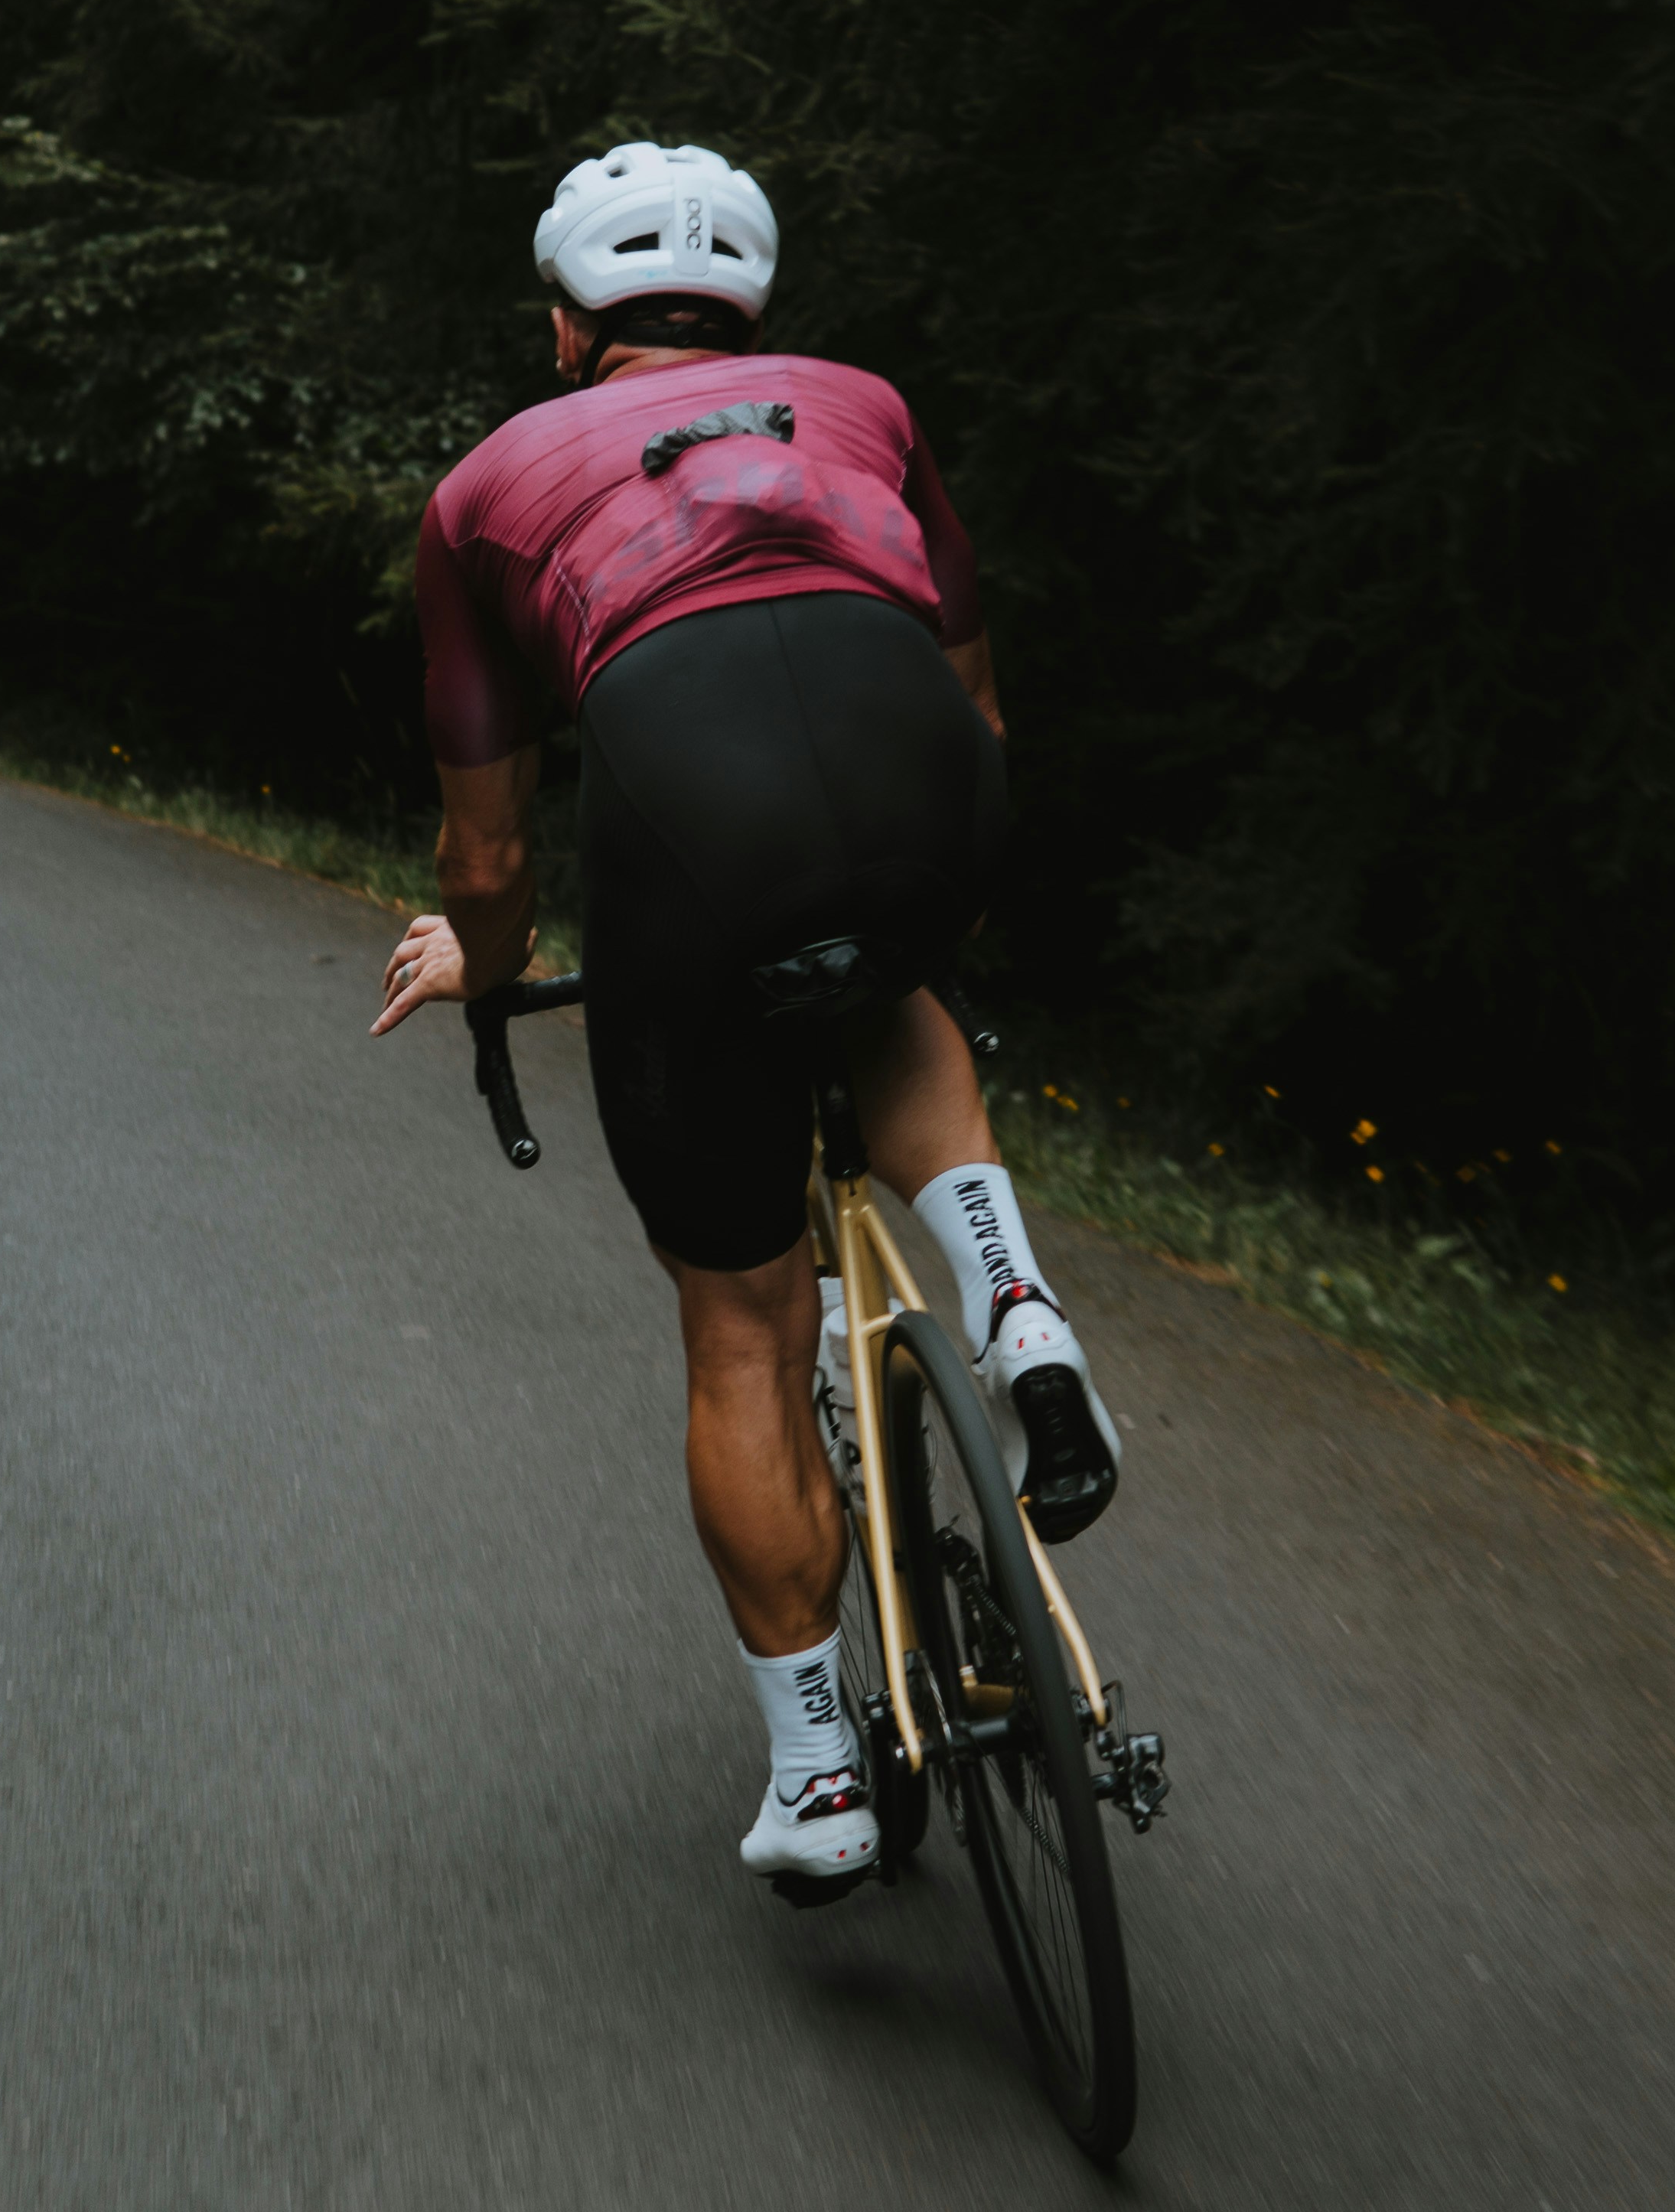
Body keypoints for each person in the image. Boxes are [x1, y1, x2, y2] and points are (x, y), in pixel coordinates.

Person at [366, 140, 1119, 1897]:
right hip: (910, 762)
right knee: (899, 985)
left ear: (568, 327)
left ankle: (820, 1779)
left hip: (691, 806)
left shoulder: (484, 488)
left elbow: (489, 848)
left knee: (739, 1329)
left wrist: (491, 952)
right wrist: (937, 896)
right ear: (754, 304)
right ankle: (1014, 1304)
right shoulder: (863, 401)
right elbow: (974, 696)